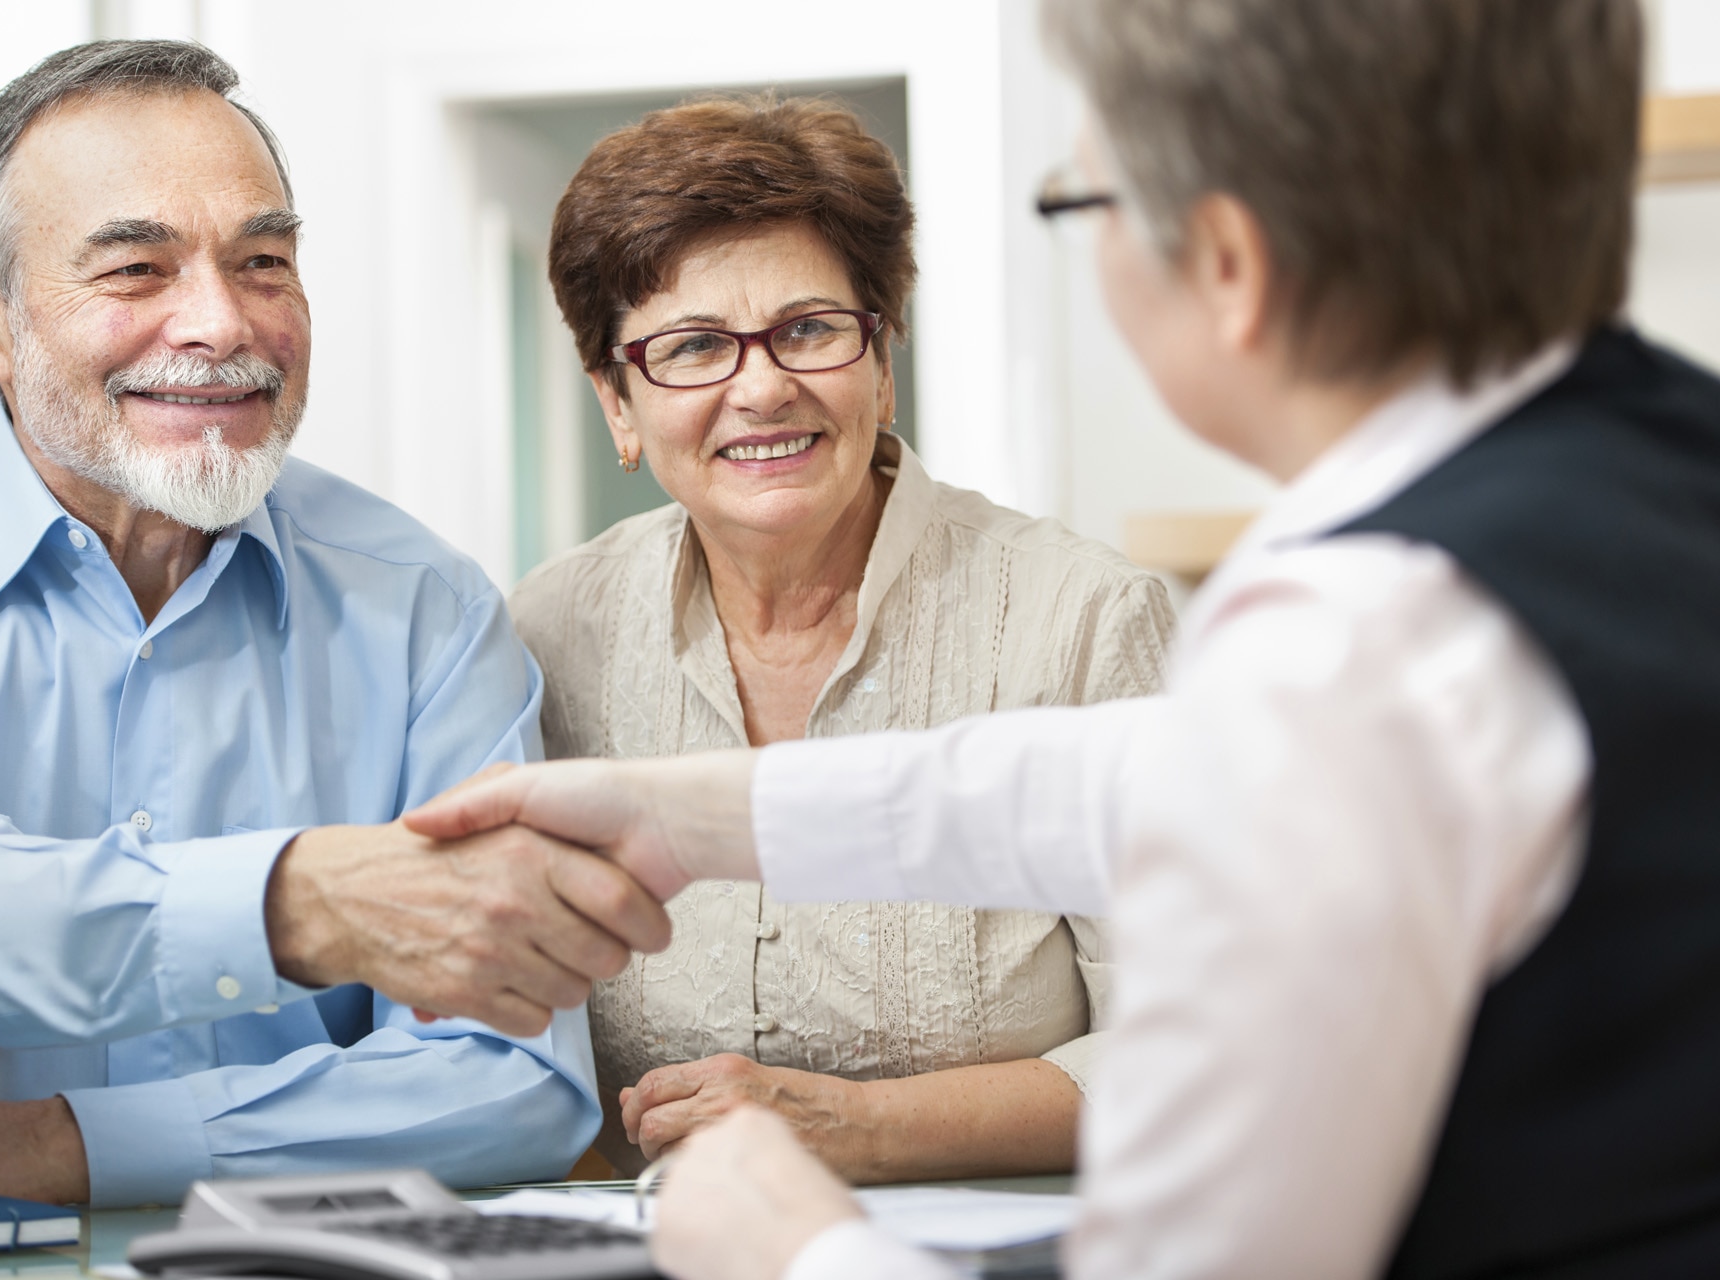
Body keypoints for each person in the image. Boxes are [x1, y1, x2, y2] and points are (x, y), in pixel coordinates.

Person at [410, 0, 1720, 1275]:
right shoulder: (1662, 459)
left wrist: (793, 1249)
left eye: (1082, 202)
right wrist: (695, 816)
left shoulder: (1343, 639)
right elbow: (1140, 780)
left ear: (1226, 263)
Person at [0, 40, 668, 1208]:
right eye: (136, 269)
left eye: (264, 259)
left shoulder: (424, 604)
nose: (220, 321)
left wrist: (72, 1143)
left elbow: (511, 1075)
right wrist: (301, 899)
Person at [515, 95, 1174, 1180]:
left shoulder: (1085, 620)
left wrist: (865, 1129)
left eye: (810, 329)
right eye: (691, 348)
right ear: (617, 404)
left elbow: (1195, 1044)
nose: (763, 386)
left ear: (880, 359)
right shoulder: (544, 638)